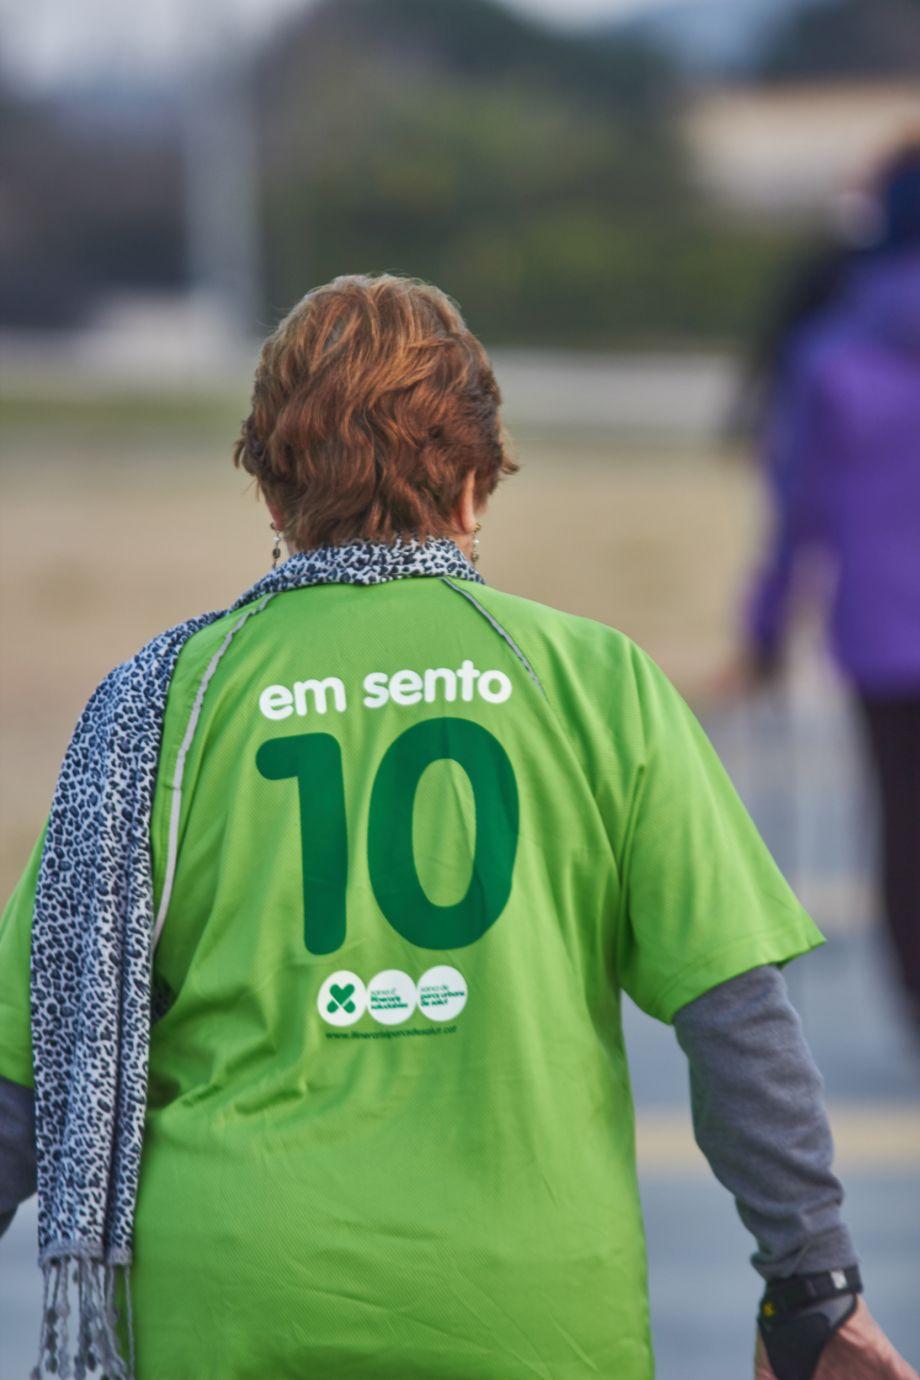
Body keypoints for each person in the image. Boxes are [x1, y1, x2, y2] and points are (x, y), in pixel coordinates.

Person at [0, 275, 914, 1380]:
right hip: (535, 1314)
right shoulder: (593, 681)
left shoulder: (161, 709)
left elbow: (29, 1064)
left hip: (234, 1304)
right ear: (476, 483)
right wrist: (811, 1286)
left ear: (273, 493)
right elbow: (737, 1021)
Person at [734, 141, 920, 1034]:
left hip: (882, 633)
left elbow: (797, 511)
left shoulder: (832, 352)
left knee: (903, 820)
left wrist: (767, 625)